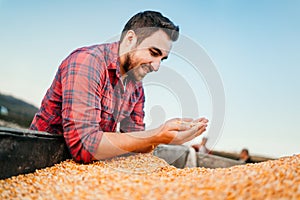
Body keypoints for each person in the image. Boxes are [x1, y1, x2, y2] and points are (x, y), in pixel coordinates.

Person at [30, 11, 208, 163]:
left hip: (87, 170)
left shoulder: (136, 87)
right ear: (130, 39)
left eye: (162, 58)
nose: (156, 66)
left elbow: (136, 142)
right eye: (153, 53)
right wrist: (156, 134)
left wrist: (168, 137)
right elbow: (83, 146)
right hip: (37, 159)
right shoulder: (87, 63)